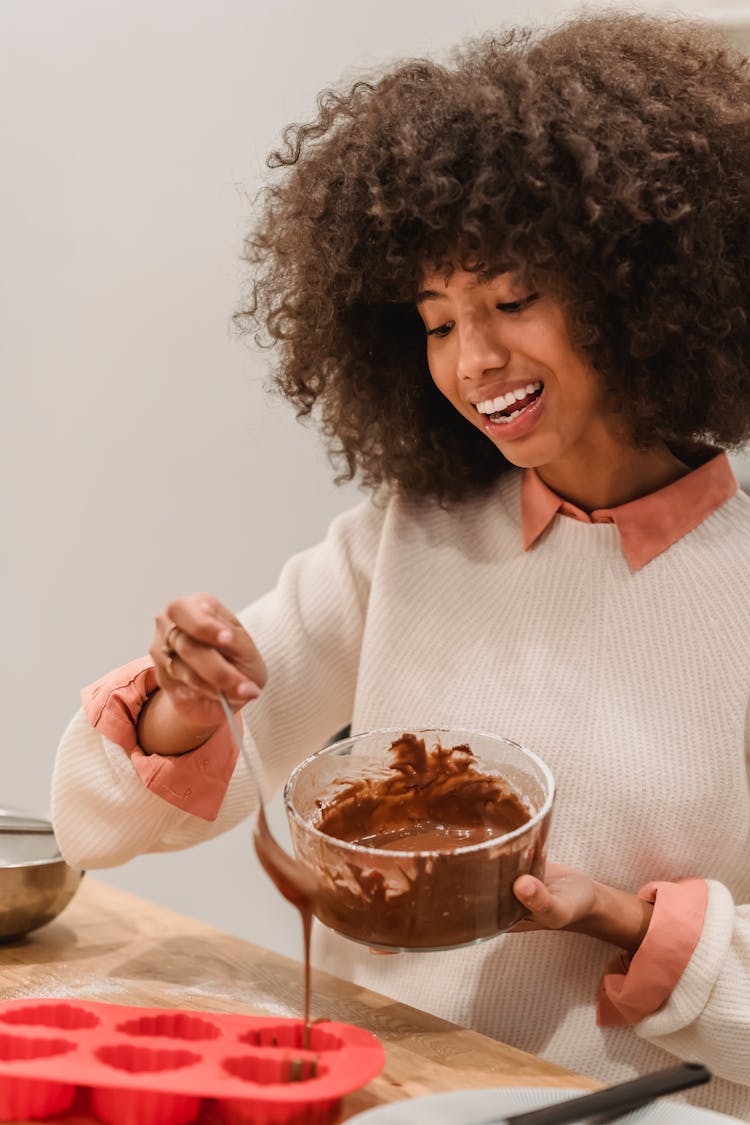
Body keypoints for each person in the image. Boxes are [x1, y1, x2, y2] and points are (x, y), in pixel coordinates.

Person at [52, 11, 750, 1118]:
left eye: (514, 301)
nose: (475, 362)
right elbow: (101, 825)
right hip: (400, 1098)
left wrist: (631, 922)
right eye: (436, 322)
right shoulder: (407, 540)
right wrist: (185, 702)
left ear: (639, 285)